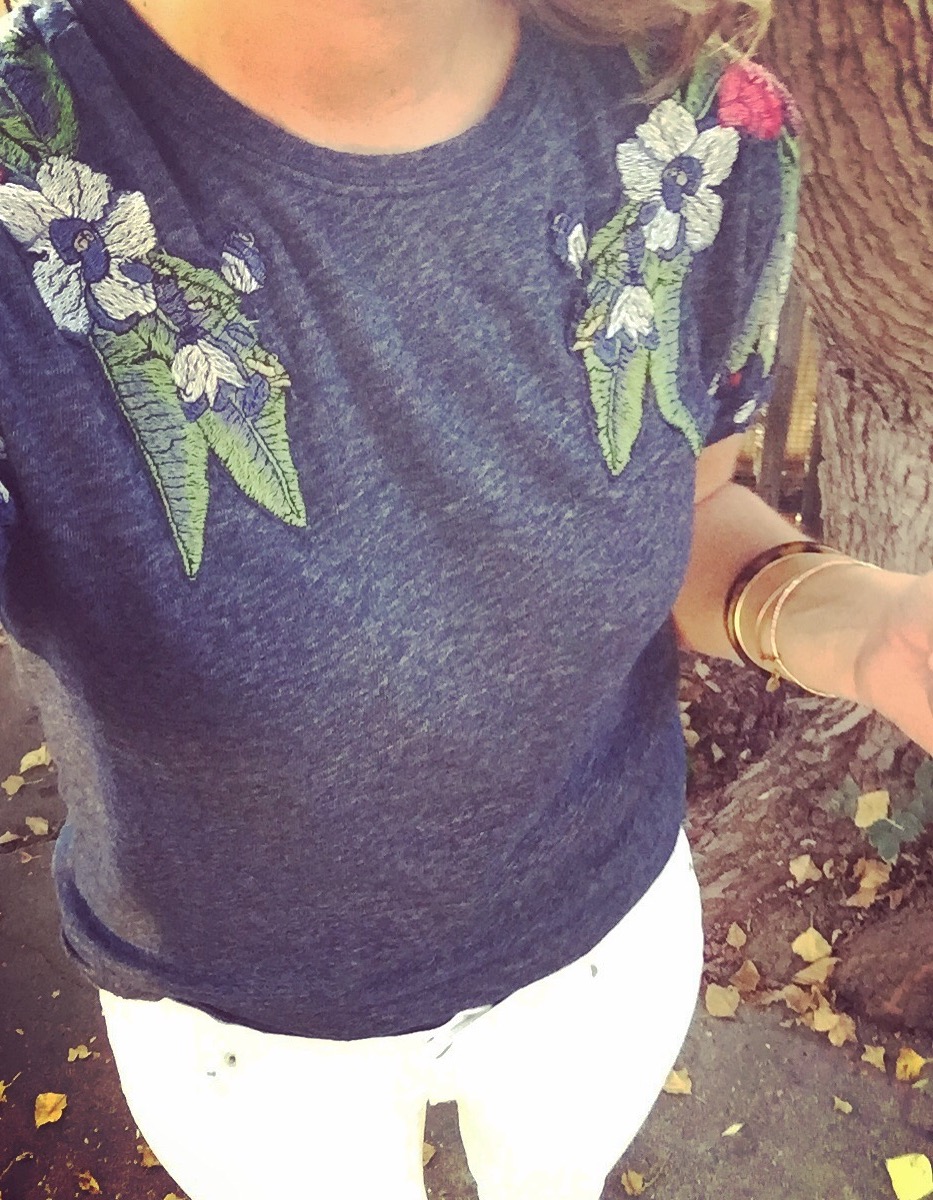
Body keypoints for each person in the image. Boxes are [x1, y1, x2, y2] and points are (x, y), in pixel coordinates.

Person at [0, 0, 930, 1197]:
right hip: (247, 1041)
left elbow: (692, 510)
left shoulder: (702, 129)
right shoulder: (30, 187)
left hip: (601, 953)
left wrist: (862, 627)